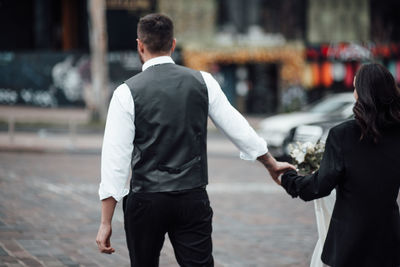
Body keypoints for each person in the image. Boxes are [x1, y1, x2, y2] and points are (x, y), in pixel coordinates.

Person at [95, 13, 293, 267]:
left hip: (146, 200)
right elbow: (237, 127)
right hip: (191, 196)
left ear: (139, 45)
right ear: (173, 44)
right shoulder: (203, 82)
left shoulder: (126, 92)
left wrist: (105, 222)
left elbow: (115, 160)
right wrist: (271, 163)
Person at [281, 63, 400, 267]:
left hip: (350, 241)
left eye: (355, 88)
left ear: (362, 93)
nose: (354, 93)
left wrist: (288, 179)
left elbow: (320, 185)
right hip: (389, 238)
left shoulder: (343, 134)